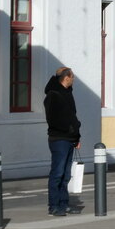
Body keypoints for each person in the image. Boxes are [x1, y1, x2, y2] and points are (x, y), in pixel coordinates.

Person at [45, 67, 82, 215]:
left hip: (69, 138)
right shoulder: (53, 95)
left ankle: (63, 203)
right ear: (66, 77)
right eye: (72, 77)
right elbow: (54, 119)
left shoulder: (67, 93)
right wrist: (70, 130)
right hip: (59, 139)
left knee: (66, 174)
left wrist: (76, 137)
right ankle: (53, 205)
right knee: (57, 173)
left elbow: (72, 116)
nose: (74, 79)